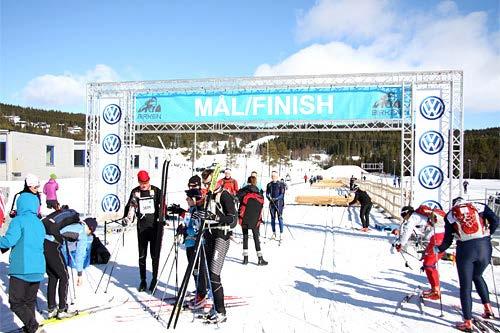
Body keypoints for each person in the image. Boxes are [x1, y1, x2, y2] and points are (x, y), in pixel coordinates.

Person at [435, 197, 499, 332]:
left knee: (466, 286)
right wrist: (489, 233)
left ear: (454, 205)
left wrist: (439, 249)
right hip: (484, 247)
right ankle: (488, 309)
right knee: (478, 276)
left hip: (465, 250)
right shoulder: (479, 206)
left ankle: (467, 322)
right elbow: (495, 220)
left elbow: (448, 239)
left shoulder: (451, 215)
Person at [0, 192, 45, 333]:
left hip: (22, 268)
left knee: (16, 303)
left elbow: (9, 241)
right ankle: (30, 328)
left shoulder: (18, 221)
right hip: (38, 268)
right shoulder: (39, 223)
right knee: (29, 301)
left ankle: (33, 326)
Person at [198, 168, 237, 324]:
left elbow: (233, 220)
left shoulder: (225, 195)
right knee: (209, 273)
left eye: (208, 183)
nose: (206, 186)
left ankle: (221, 311)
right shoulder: (208, 195)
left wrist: (217, 218)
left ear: (215, 181)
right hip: (209, 234)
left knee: (214, 275)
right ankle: (215, 308)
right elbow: (204, 213)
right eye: (204, 183)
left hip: (221, 236)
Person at [43, 208, 94, 319]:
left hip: (43, 243)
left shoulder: (73, 223)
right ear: (90, 228)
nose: (89, 234)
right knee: (64, 277)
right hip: (52, 246)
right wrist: (79, 274)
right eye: (91, 232)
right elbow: (80, 255)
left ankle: (51, 309)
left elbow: (60, 233)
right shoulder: (82, 232)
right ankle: (61, 310)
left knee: (53, 276)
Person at [123, 170, 164, 293]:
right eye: (141, 183)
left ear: (149, 180)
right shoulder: (136, 192)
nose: (143, 185)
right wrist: (127, 218)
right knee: (142, 255)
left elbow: (163, 206)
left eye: (145, 182)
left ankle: (155, 279)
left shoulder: (156, 191)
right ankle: (143, 280)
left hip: (155, 228)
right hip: (142, 227)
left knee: (154, 255)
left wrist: (163, 218)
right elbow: (130, 207)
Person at [394, 205, 446, 299]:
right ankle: (435, 289)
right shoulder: (420, 216)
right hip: (440, 236)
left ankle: (436, 291)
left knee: (428, 264)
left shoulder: (413, 218)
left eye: (403, 215)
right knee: (429, 263)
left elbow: (407, 232)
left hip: (436, 237)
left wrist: (401, 244)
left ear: (407, 213)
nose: (404, 218)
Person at [176, 175, 208, 309]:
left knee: (198, 269)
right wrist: (182, 225)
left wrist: (186, 230)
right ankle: (199, 291)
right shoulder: (192, 208)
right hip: (190, 244)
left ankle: (202, 294)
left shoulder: (200, 204)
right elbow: (189, 220)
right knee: (194, 270)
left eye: (193, 186)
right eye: (189, 186)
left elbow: (196, 227)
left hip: (196, 243)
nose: (191, 188)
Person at [237, 176, 268, 266]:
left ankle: (245, 258)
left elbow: (236, 198)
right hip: (255, 219)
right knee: (256, 237)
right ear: (255, 182)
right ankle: (260, 258)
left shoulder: (243, 190)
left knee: (245, 237)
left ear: (247, 182)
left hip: (244, 217)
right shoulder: (258, 191)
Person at [266, 171, 286, 240]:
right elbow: (267, 194)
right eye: (272, 176)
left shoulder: (281, 184)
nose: (273, 177)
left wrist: (276, 198)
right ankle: (274, 233)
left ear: (277, 177)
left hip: (279, 204)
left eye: (274, 176)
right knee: (272, 219)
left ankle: (281, 234)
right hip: (272, 204)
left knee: (280, 218)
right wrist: (269, 198)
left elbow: (282, 194)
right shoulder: (269, 184)